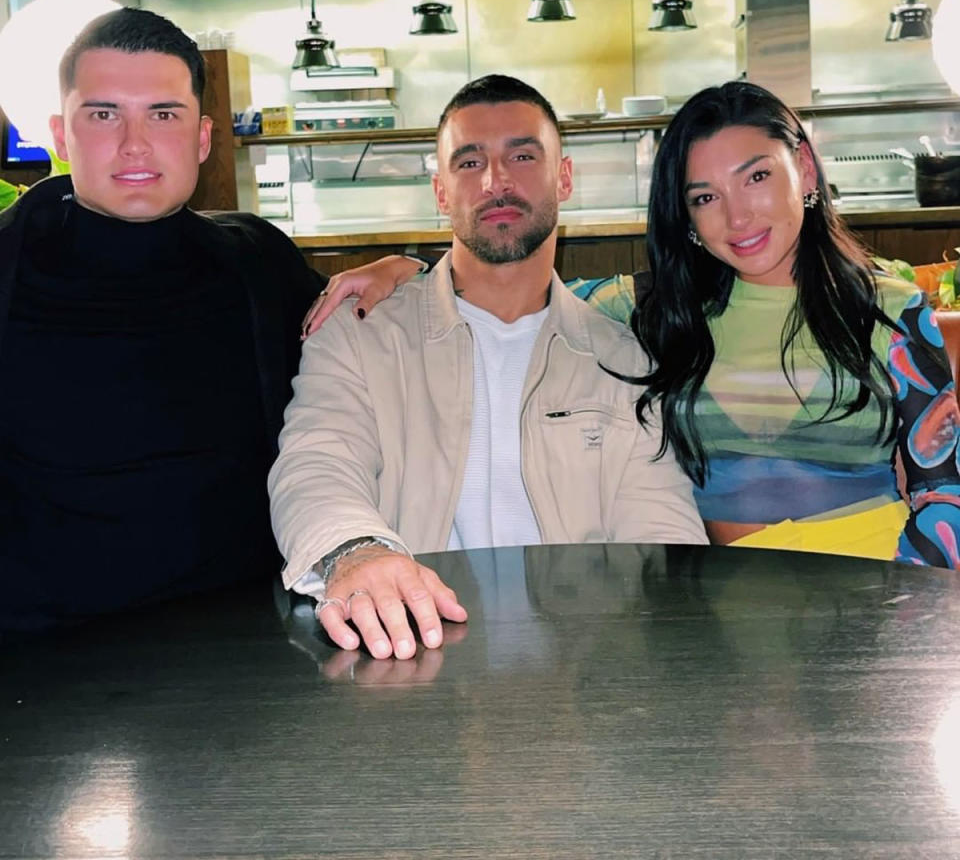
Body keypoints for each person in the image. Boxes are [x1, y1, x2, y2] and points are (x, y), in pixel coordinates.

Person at [308, 81, 960, 569]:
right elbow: (508, 282)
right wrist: (411, 267)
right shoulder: (649, 311)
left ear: (806, 171)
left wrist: (894, 616)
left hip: (871, 583)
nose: (737, 216)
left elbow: (944, 500)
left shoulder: (890, 312)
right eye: (705, 196)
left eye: (757, 176)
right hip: (718, 605)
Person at [269, 74, 707, 660]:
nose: (496, 181)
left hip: (586, 678)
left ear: (565, 177)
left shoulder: (623, 357)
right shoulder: (362, 332)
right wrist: (359, 552)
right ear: (441, 192)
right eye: (469, 162)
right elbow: (316, 462)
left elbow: (663, 542)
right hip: (407, 663)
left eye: (522, 156)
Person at [0, 7, 325, 630]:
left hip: (245, 649)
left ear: (202, 139)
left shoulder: (258, 264)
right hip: (36, 668)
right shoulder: (5, 272)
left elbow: (363, 366)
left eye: (163, 114)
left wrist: (400, 276)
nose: (134, 144)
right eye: (103, 114)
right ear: (60, 136)